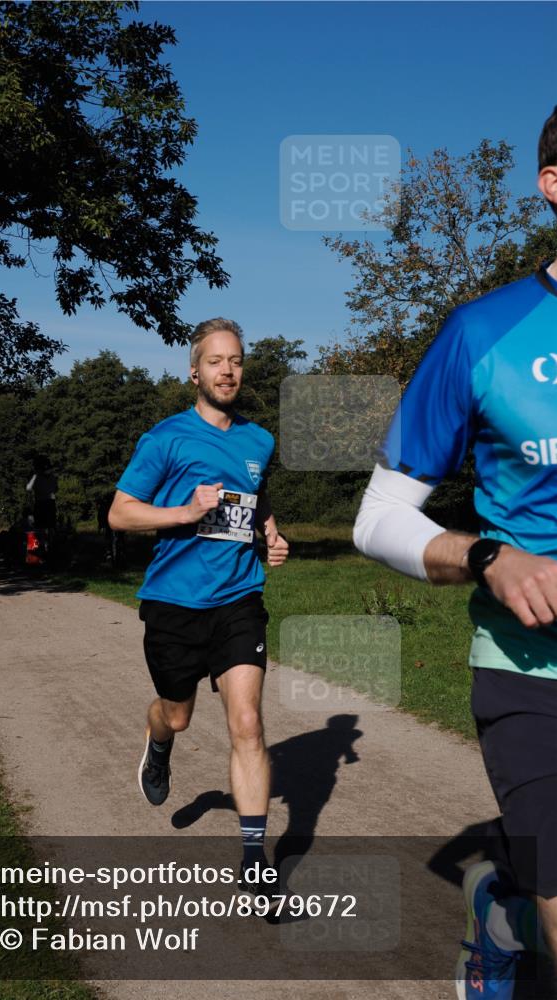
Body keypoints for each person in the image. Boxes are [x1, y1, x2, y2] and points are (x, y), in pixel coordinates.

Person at [352, 107, 557, 999]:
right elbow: (377, 517)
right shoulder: (483, 333)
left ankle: (504, 913)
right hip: (530, 673)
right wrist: (488, 560)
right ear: (554, 184)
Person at [109, 318, 289, 897]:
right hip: (174, 604)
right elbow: (121, 513)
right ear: (195, 371)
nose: (228, 370)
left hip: (239, 598)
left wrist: (273, 535)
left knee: (248, 723)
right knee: (179, 714)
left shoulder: (259, 440)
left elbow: (256, 504)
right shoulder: (165, 439)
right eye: (216, 361)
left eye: (235, 360)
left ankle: (255, 858)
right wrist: (183, 514)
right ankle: (159, 742)